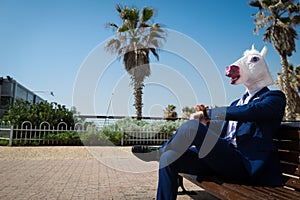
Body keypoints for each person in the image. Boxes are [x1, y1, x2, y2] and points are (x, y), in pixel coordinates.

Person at [132, 46, 286, 200]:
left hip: (244, 165)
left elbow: (253, 110)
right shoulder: (235, 103)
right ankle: (163, 153)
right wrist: (205, 124)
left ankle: (159, 151)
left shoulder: (274, 98)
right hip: (221, 161)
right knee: (169, 157)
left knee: (191, 127)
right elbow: (224, 135)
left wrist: (209, 113)